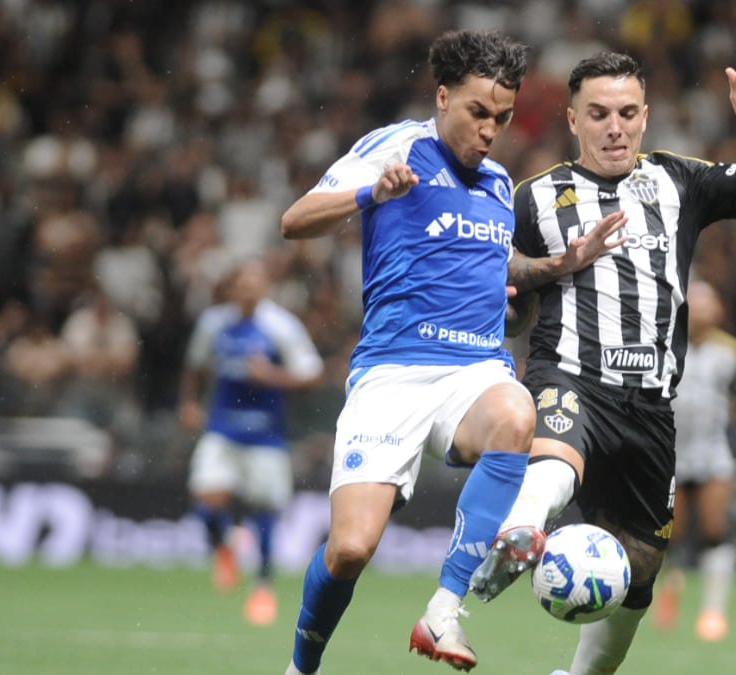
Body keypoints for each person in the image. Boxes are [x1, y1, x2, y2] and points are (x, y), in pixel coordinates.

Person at [277, 31, 617, 675]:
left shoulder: (498, 182)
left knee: (516, 414)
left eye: (502, 118)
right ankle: (301, 667)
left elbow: (495, 266)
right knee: (349, 550)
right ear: (442, 98)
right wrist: (371, 195)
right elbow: (295, 221)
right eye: (477, 112)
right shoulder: (396, 147)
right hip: (393, 371)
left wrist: (558, 265)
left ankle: (444, 607)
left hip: (474, 370)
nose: (489, 131)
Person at [472, 44, 736, 675]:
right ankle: (521, 529)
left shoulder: (679, 180)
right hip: (569, 373)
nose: (614, 127)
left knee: (639, 573)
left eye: (627, 113)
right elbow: (511, 299)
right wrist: (527, 287)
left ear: (645, 116)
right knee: (558, 453)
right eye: (598, 113)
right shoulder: (533, 198)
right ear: (572, 119)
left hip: (650, 405)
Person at [180, 258, 324, 626]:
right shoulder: (214, 322)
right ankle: (224, 547)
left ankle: (262, 586)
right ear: (232, 287)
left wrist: (271, 376)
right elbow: (195, 364)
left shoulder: (280, 326)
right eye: (242, 282)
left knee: (265, 510)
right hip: (222, 428)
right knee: (207, 496)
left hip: (266, 434)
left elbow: (312, 373)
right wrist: (189, 402)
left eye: (255, 282)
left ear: (265, 287)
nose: (248, 288)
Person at [652, 280, 736, 642]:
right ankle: (670, 590)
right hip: (671, 452)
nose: (701, 310)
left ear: (719, 310)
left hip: (713, 451)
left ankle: (714, 610)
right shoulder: (664, 344)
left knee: (716, 530)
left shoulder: (732, 353)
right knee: (671, 533)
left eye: (708, 303)